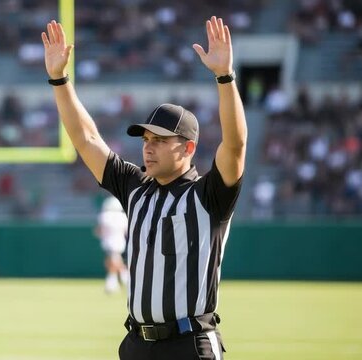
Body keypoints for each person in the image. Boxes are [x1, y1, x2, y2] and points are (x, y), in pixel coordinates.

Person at [42, 16, 246, 359]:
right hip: (136, 345)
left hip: (189, 344)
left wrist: (224, 77)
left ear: (188, 148)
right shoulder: (136, 187)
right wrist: (59, 79)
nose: (147, 147)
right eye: (146, 139)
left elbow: (236, 145)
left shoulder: (209, 195)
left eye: (160, 141)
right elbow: (86, 137)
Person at [95, 196, 129, 294]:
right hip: (120, 242)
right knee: (113, 262)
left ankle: (116, 282)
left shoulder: (104, 216)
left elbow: (99, 231)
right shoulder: (123, 217)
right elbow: (126, 232)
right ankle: (118, 281)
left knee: (113, 262)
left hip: (109, 242)